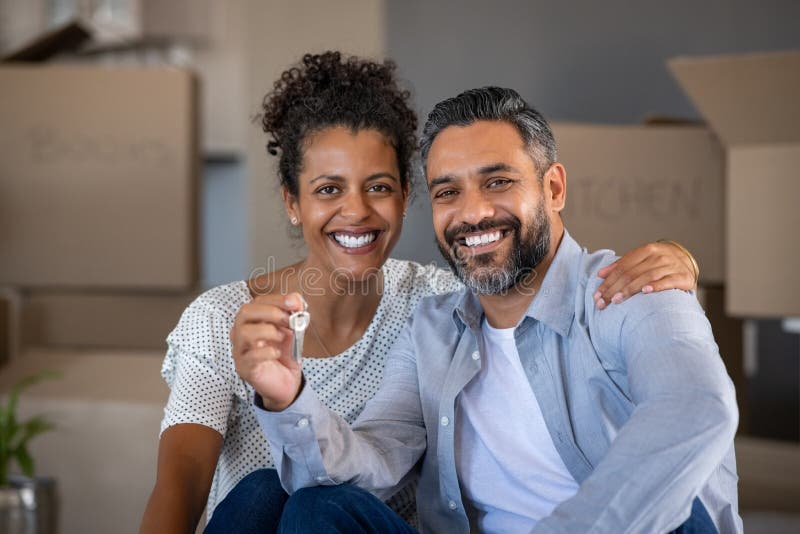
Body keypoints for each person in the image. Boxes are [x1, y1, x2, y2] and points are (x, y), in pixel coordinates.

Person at [139, 52, 700, 533]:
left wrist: (677, 261)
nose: (355, 210)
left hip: (353, 520)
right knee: (267, 489)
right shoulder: (224, 318)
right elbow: (181, 485)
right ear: (293, 201)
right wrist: (285, 398)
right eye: (328, 189)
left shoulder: (437, 303)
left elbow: (529, 266)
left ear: (407, 196)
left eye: (378, 187)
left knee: (313, 505)